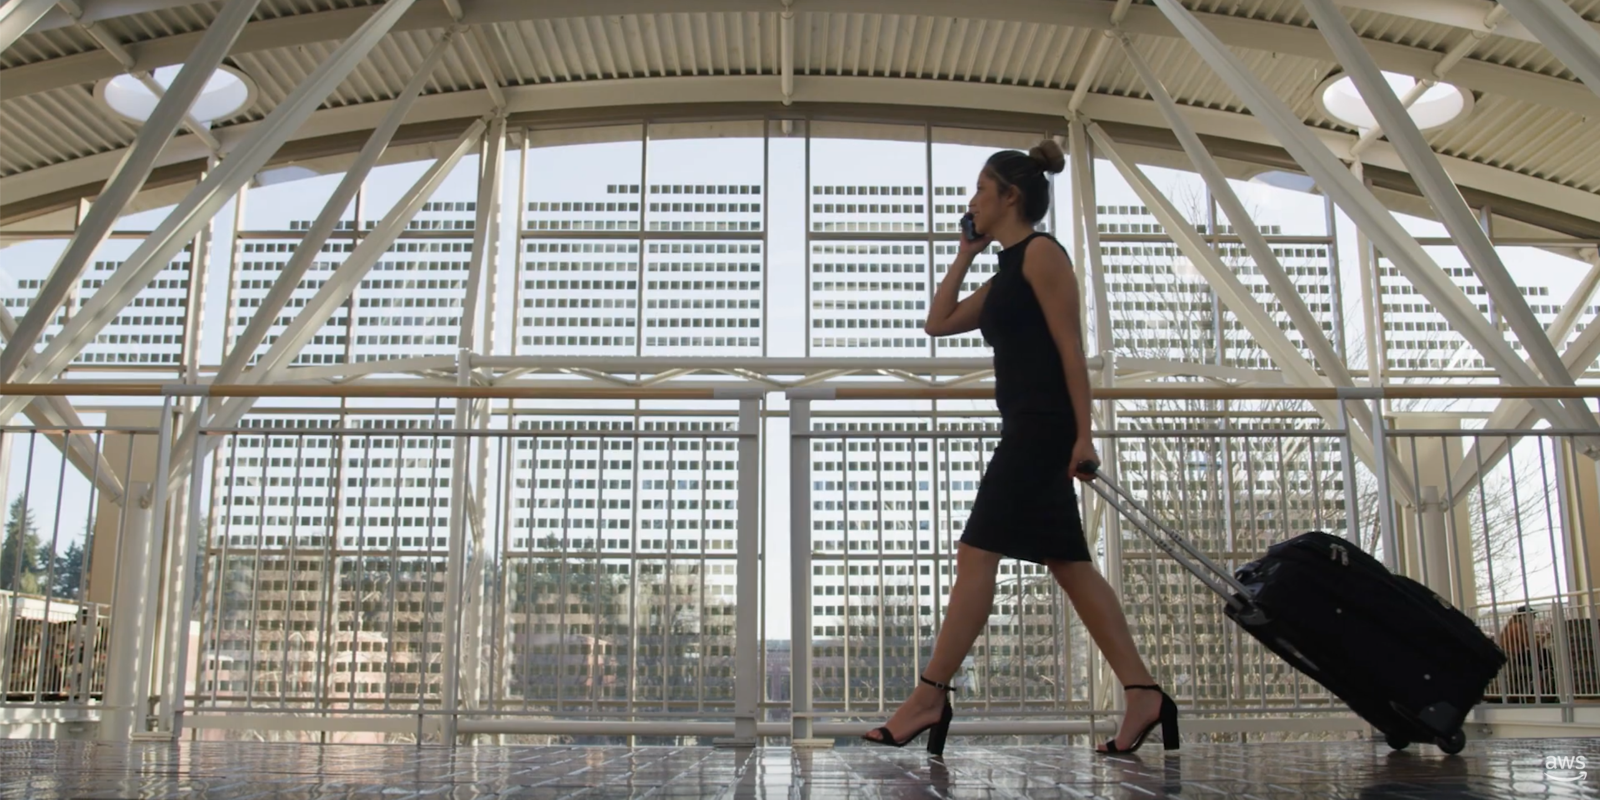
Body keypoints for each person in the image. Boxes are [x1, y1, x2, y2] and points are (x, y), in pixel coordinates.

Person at [861, 140, 1177, 756]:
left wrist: (1084, 434)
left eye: (982, 188)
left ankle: (929, 696)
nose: (971, 199)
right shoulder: (1007, 269)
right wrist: (964, 253)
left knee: (975, 553)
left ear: (1011, 196)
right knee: (1070, 566)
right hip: (1026, 427)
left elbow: (1070, 351)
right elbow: (939, 321)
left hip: (1042, 428)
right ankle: (1143, 694)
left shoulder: (1043, 255)